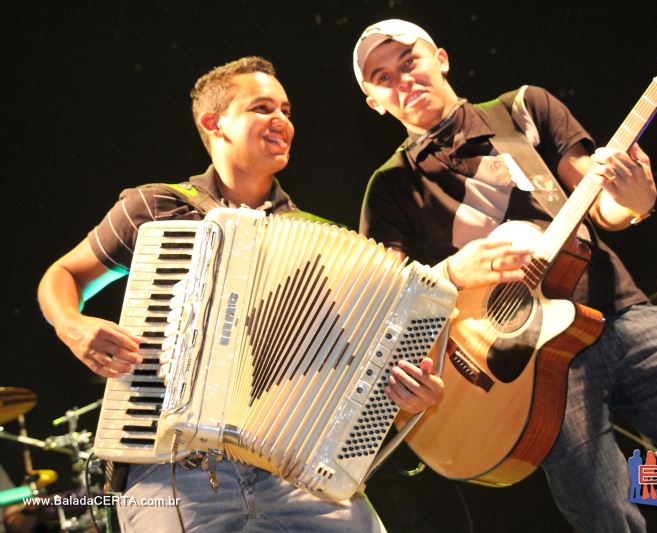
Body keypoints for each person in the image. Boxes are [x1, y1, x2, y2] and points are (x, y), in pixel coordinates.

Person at [352, 19, 657, 532]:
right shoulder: (389, 189)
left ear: (442, 58)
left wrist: (634, 201)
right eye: (382, 77)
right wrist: (452, 271)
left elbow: (603, 203)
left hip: (621, 315)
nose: (402, 79)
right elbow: (387, 303)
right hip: (529, 371)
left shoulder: (523, 108)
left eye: (408, 61)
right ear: (374, 102)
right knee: (605, 516)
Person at [37, 56, 443, 532]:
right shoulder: (155, 207)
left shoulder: (319, 241)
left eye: (287, 110)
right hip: (169, 472)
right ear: (215, 123)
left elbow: (353, 382)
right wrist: (73, 325)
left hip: (293, 474)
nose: (282, 121)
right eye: (262, 108)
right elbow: (64, 274)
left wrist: (402, 402)